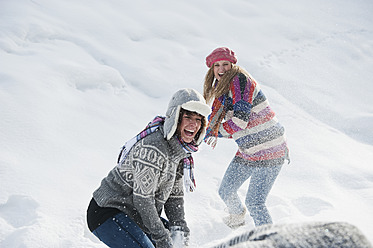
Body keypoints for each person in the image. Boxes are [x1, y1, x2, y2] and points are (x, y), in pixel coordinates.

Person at [86, 88, 211, 248]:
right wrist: (163, 239)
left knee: (174, 239)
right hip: (108, 210)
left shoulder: (179, 153)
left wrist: (180, 230)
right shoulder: (154, 148)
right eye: (187, 117)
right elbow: (143, 200)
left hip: (135, 214)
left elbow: (174, 198)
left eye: (198, 119)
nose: (193, 124)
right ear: (175, 117)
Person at [203, 47, 290, 229]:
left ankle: (269, 240)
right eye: (216, 65)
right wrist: (204, 130)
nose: (221, 69)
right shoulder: (224, 90)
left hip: (271, 151)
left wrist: (211, 132)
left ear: (233, 65)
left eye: (225, 64)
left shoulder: (240, 81)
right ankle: (237, 220)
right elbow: (229, 125)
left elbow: (239, 122)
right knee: (226, 190)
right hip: (249, 151)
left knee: (255, 203)